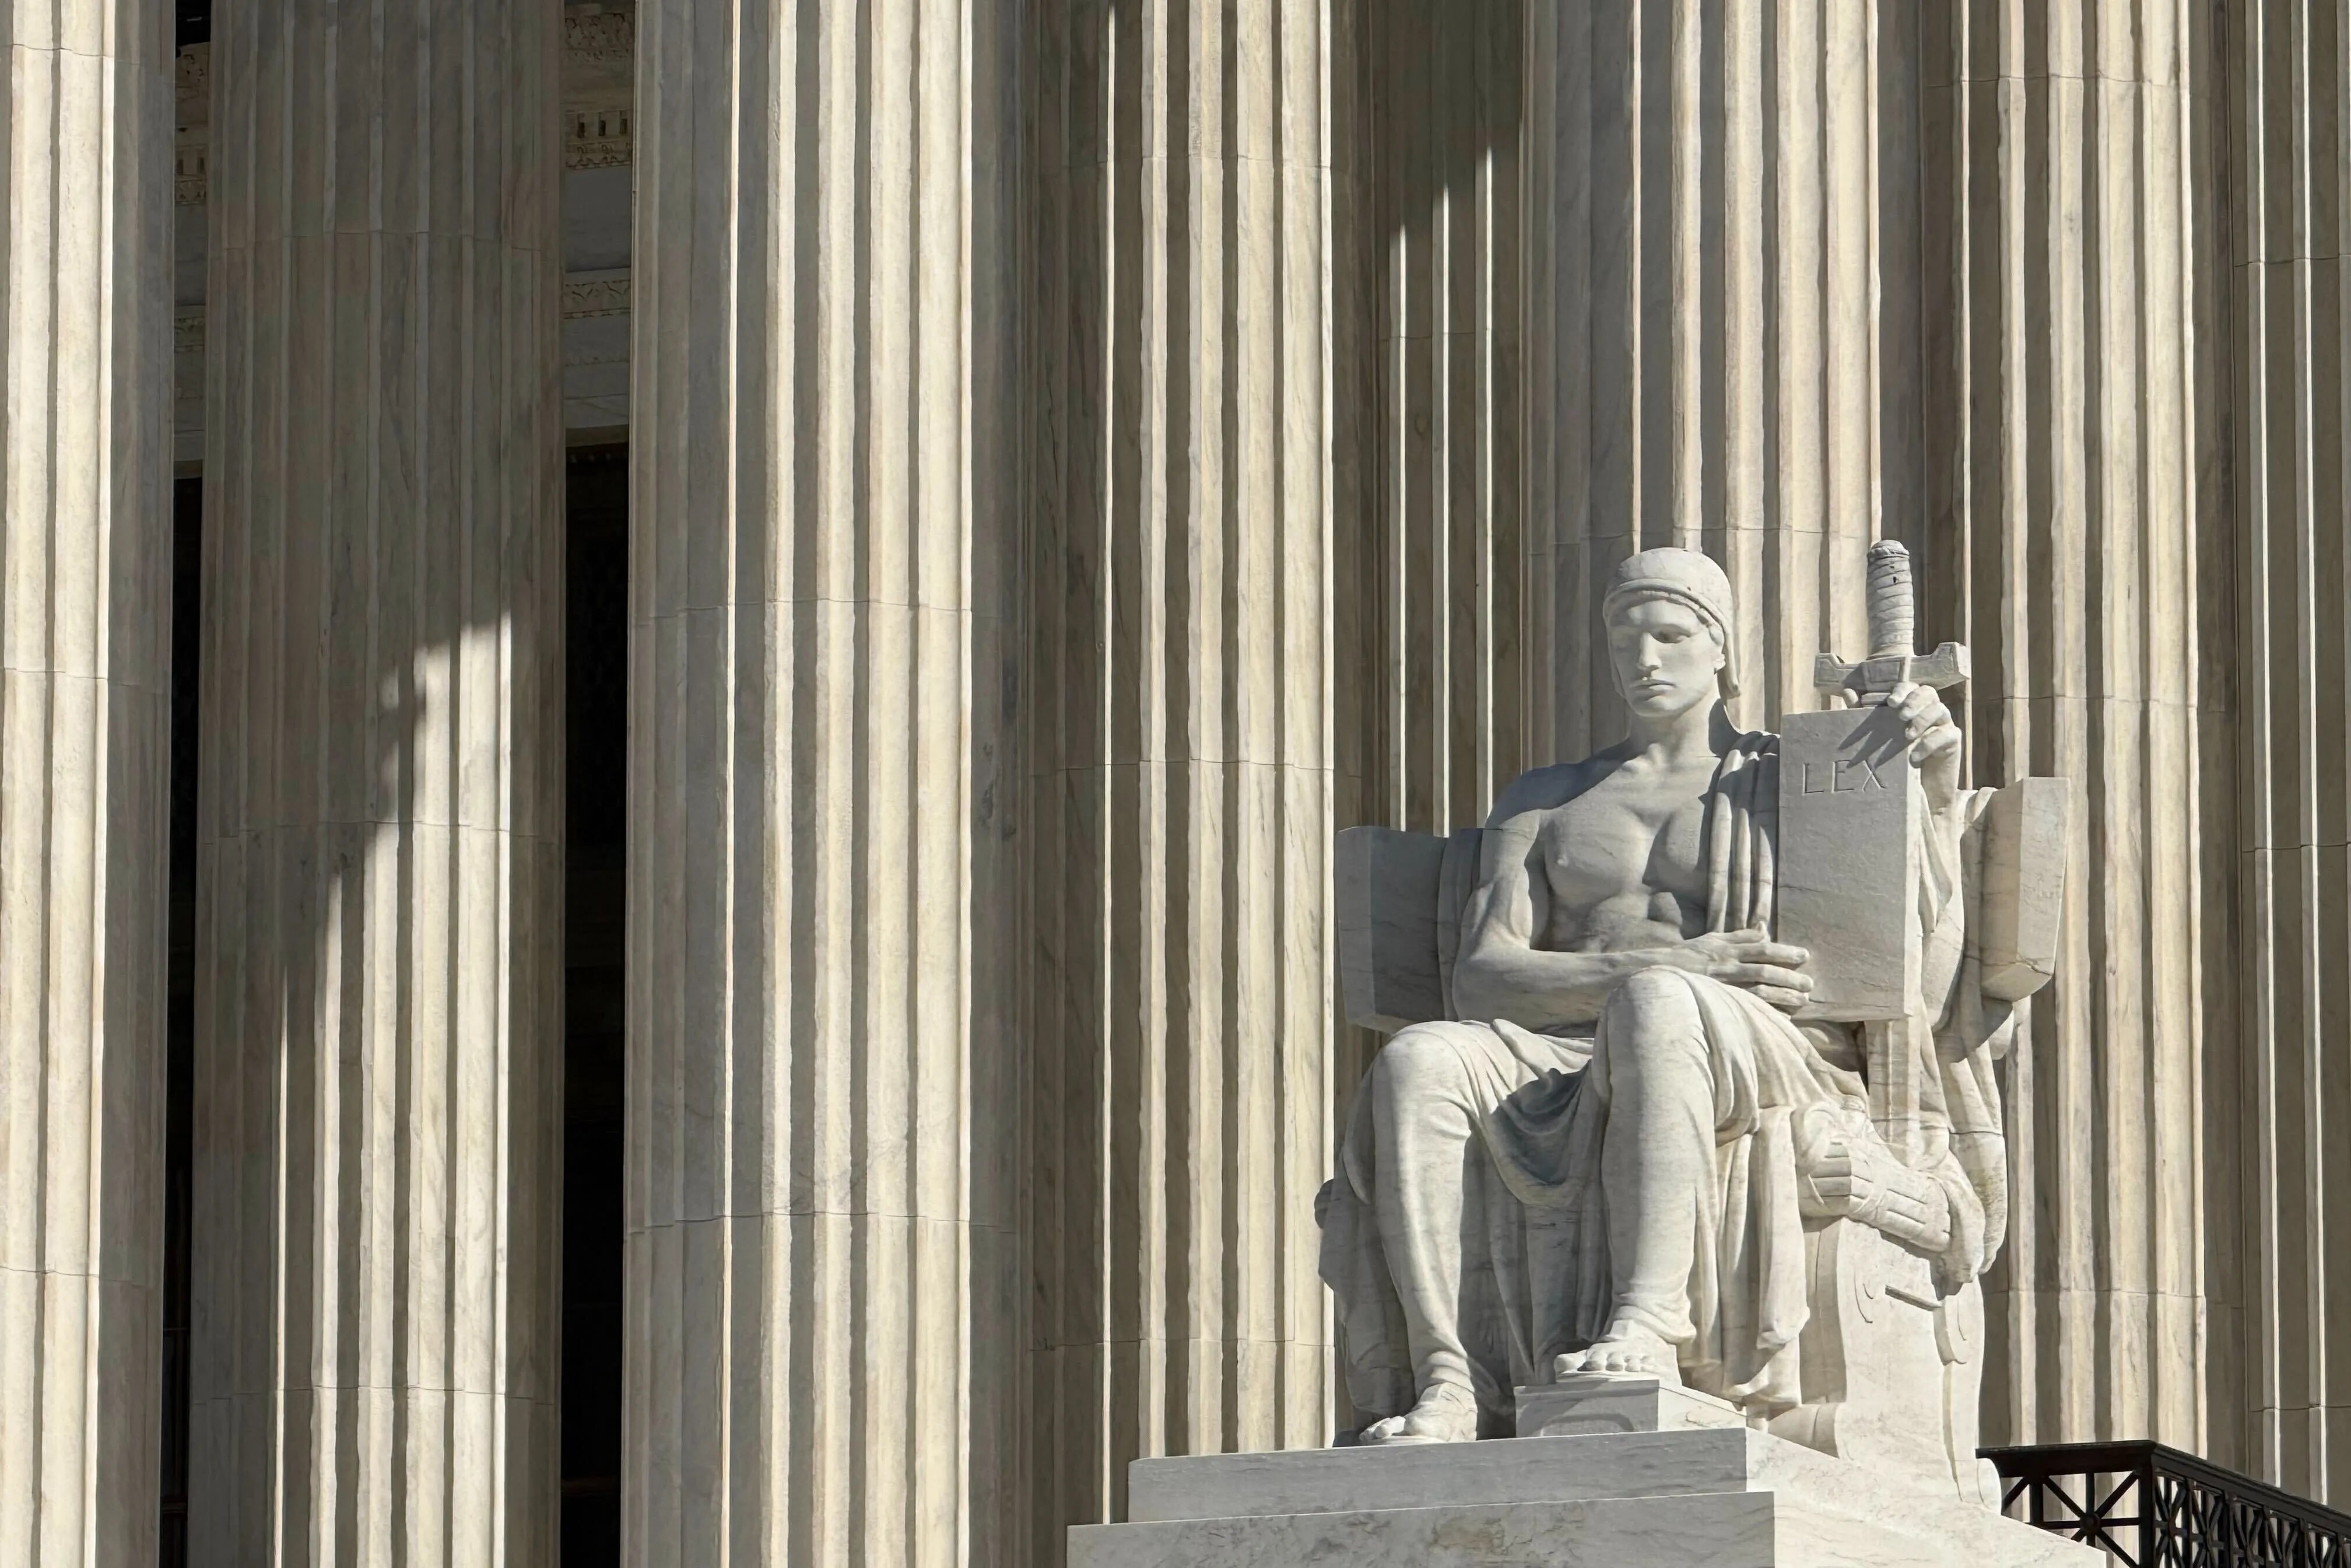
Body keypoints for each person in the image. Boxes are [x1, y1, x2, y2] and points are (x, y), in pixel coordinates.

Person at [1318, 546, 2001, 1444]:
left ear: (1718, 646)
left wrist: (1933, 781)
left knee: (1657, 1008)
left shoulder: (1787, 775)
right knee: (1417, 1061)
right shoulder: (1547, 798)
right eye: (1624, 640)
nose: (1644, 660)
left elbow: (1914, 934)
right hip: (1565, 1043)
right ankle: (1451, 1373)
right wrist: (1676, 964)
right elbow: (1482, 974)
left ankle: (1649, 1323)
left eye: (1669, 635)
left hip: (1763, 1043)